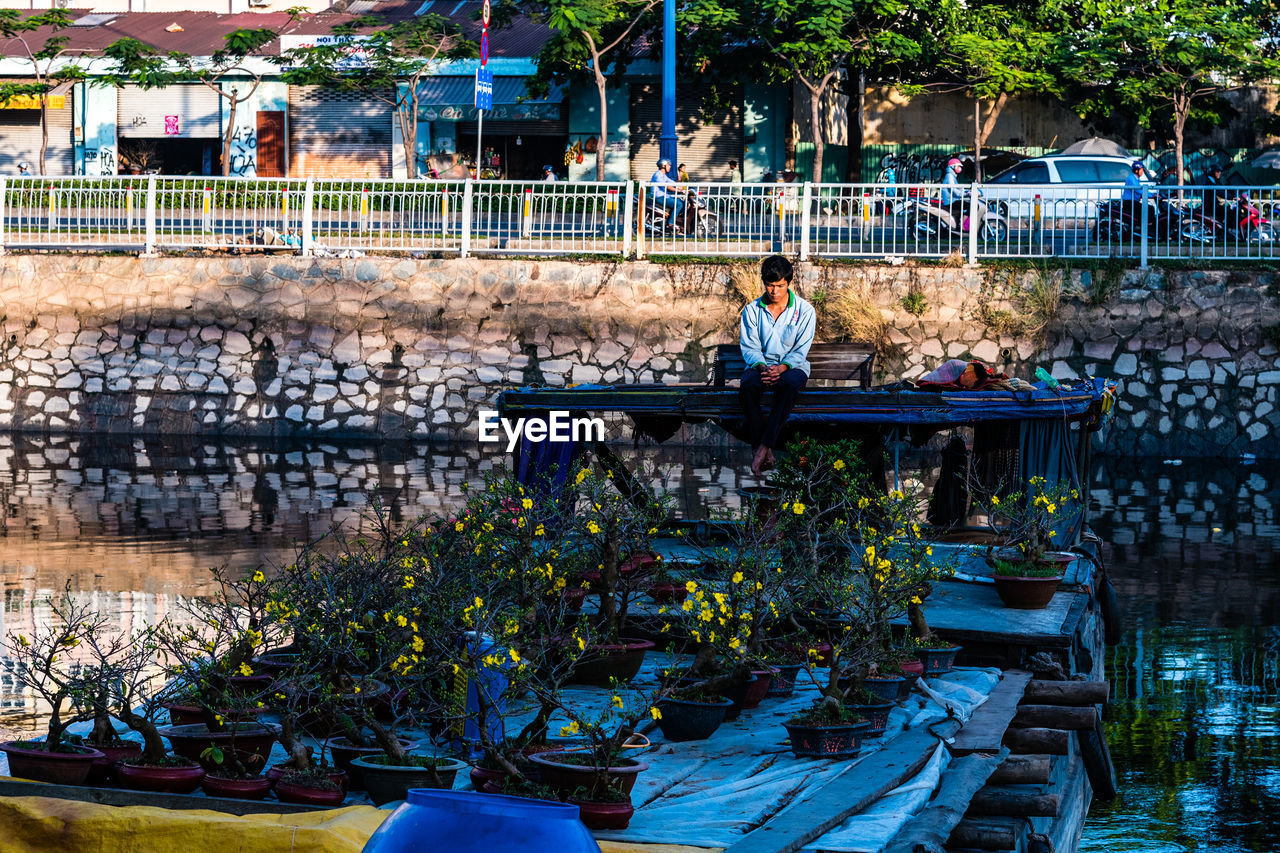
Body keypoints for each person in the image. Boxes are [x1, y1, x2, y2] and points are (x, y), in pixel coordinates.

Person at [738, 254, 816, 477]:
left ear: (788, 283)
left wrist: (782, 368)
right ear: (764, 283)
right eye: (770, 285)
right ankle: (765, 448)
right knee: (748, 387)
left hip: (792, 368)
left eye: (780, 286)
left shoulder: (805, 310)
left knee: (789, 387)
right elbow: (750, 348)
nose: (775, 291)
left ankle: (761, 448)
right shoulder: (752, 310)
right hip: (760, 367)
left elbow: (801, 349)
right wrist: (764, 368)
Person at [649, 158, 685, 230]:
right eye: (668, 165)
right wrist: (678, 190)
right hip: (659, 197)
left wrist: (681, 187)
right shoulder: (657, 175)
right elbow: (666, 186)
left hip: (664, 196)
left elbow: (671, 182)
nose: (670, 167)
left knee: (681, 202)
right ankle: (670, 223)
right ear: (663, 166)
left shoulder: (663, 175)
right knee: (679, 204)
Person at [940, 157, 964, 227]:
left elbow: (958, 189)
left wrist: (967, 191)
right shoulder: (950, 176)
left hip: (953, 200)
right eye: (958, 166)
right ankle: (963, 226)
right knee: (968, 207)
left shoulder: (952, 176)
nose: (959, 168)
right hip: (951, 201)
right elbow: (953, 189)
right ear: (953, 167)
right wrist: (964, 194)